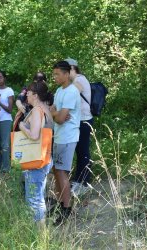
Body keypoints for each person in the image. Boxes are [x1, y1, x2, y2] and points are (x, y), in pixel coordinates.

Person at [18, 80, 54, 225]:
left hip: (36, 159)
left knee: (34, 200)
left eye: (28, 93)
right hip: (44, 157)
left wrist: (22, 126)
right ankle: (40, 234)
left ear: (36, 95)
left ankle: (39, 236)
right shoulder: (46, 109)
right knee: (37, 197)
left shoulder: (37, 110)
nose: (26, 95)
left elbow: (34, 135)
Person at [49, 61, 81, 225]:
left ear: (67, 74)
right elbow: (52, 110)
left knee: (62, 172)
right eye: (54, 74)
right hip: (59, 135)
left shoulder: (71, 92)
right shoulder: (59, 91)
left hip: (68, 137)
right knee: (56, 171)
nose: (54, 77)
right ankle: (60, 203)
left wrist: (56, 114)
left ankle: (67, 210)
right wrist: (56, 113)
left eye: (57, 74)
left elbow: (60, 118)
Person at [65, 58, 93, 197]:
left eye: (65, 70)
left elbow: (71, 94)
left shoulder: (80, 80)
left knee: (83, 151)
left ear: (72, 68)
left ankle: (84, 183)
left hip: (84, 121)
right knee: (79, 151)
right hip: (79, 121)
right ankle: (78, 180)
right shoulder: (75, 81)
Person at [0, 70, 14, 173]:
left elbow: (10, 109)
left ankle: (6, 168)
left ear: (4, 78)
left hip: (6, 120)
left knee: (5, 144)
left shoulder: (9, 91)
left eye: (0, 77)